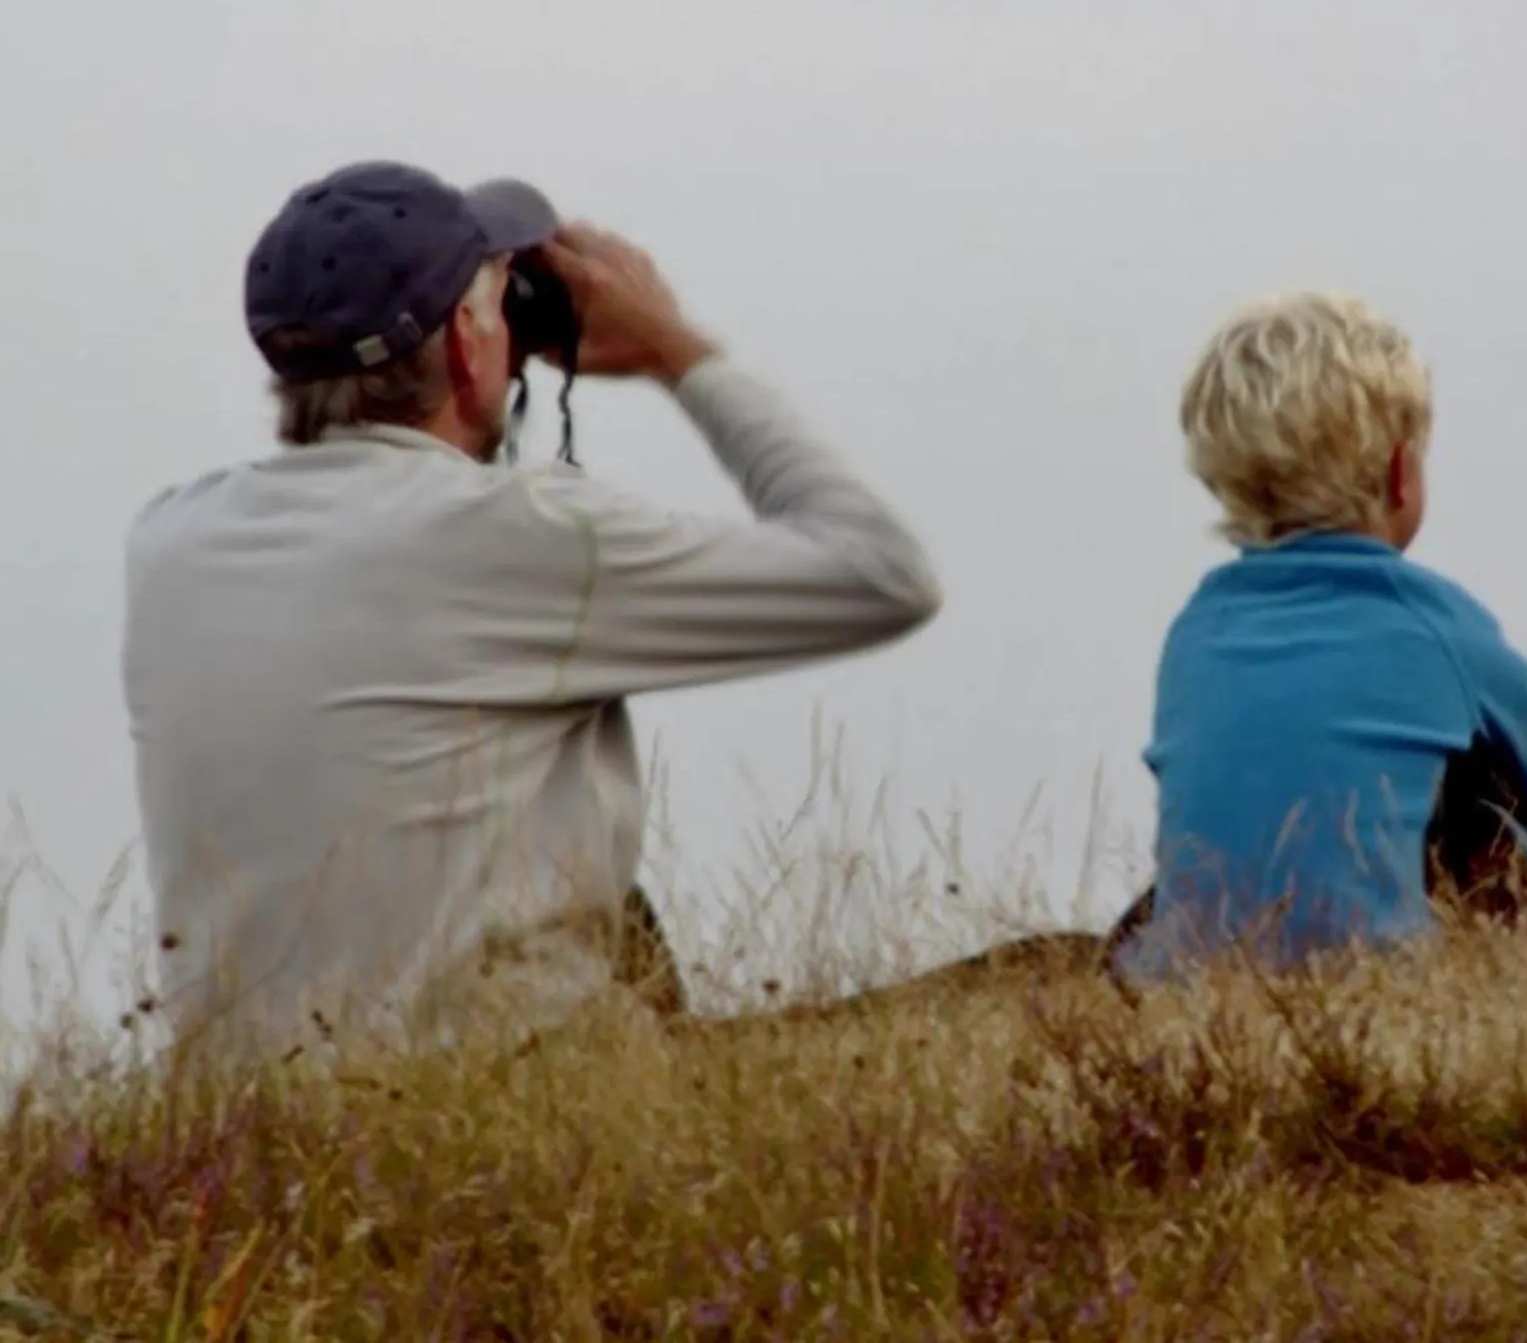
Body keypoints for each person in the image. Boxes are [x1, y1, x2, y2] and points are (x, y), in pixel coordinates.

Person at [119, 160, 941, 1051]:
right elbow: (883, 571)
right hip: (498, 1098)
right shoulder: (513, 530)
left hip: (246, 1127)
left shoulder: (170, 540)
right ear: (470, 344)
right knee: (1041, 970)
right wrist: (678, 351)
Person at [1109, 290, 1527, 981]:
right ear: (1402, 472)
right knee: (1489, 806)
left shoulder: (1197, 629)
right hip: (1380, 989)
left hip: (1190, 992)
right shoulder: (1433, 623)